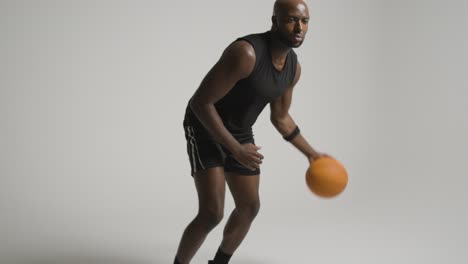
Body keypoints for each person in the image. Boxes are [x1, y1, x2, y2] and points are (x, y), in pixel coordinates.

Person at [174, 0, 327, 263]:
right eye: (291, 20)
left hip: (240, 131)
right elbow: (200, 103)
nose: (299, 28)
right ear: (275, 21)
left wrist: (313, 155)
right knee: (212, 212)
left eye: (305, 21)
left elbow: (281, 118)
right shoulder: (246, 53)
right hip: (203, 126)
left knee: (249, 207)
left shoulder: (293, 68)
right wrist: (235, 149)